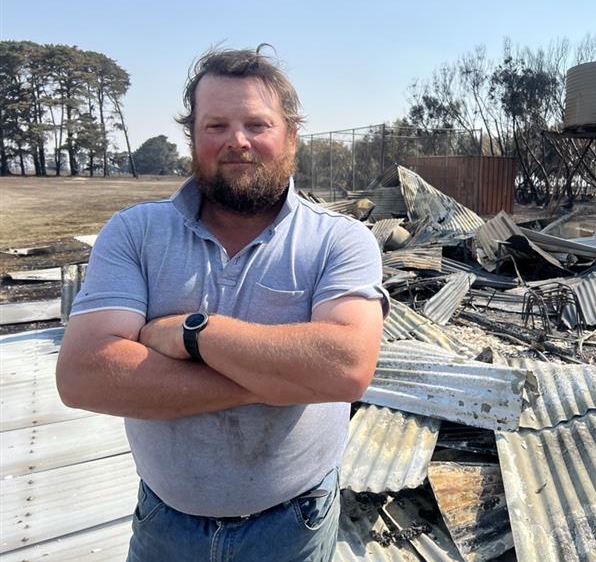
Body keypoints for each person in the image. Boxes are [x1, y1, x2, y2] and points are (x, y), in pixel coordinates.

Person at [55, 46, 387, 562]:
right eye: (216, 126)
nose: (237, 140)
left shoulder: (338, 241)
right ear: (192, 137)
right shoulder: (135, 233)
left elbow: (344, 369)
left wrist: (195, 334)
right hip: (166, 522)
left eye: (257, 123)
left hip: (293, 525)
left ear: (290, 136)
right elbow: (83, 375)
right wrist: (279, 378)